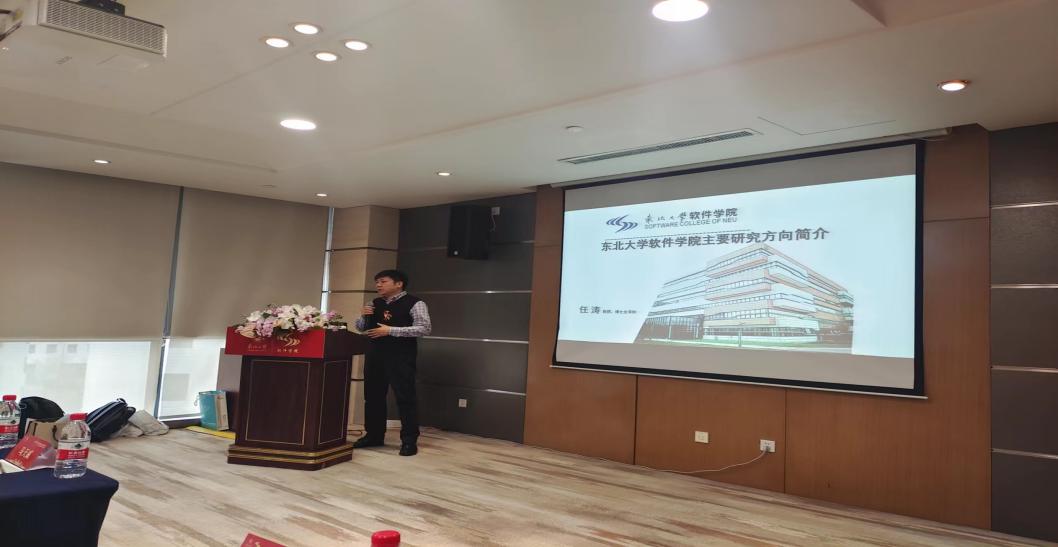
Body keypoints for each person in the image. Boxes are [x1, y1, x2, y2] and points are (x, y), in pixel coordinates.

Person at [353, 269, 432, 456]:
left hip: (401, 357)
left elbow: (424, 328)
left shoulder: (415, 303)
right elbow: (361, 328)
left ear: (399, 284)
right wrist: (363, 316)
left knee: (405, 398)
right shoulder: (374, 303)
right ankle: (374, 435)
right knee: (373, 397)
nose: (378, 285)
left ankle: (409, 441)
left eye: (383, 281)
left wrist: (390, 330)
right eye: (377, 282)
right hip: (375, 355)